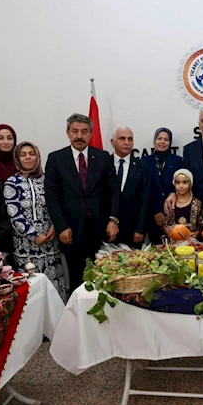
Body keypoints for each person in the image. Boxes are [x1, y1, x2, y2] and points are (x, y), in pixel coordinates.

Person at [45, 113, 120, 291]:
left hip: (100, 230)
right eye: (75, 131)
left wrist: (113, 220)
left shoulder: (103, 157)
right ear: (68, 132)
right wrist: (61, 226)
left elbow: (114, 190)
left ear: (91, 134)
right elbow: (52, 195)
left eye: (84, 131)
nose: (79, 136)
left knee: (105, 278)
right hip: (71, 231)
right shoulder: (56, 159)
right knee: (77, 279)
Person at [4, 141, 65, 299]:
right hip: (26, 246)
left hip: (50, 242)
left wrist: (55, 226)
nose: (28, 157)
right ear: (17, 159)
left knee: (53, 287)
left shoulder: (47, 180)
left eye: (32, 154)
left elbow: (56, 205)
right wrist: (34, 235)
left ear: (37, 156)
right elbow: (14, 214)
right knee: (32, 290)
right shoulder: (12, 182)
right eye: (23, 155)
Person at [110, 127, 150, 248]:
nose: (127, 142)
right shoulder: (103, 163)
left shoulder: (142, 166)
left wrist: (140, 229)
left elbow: (145, 200)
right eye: (122, 138)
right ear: (112, 142)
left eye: (130, 139)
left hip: (133, 230)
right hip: (107, 228)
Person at [142, 128, 182, 244]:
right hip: (152, 214)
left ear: (170, 143)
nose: (162, 142)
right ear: (155, 141)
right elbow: (144, 189)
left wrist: (173, 192)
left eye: (166, 139)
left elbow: (181, 184)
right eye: (159, 139)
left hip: (173, 213)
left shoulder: (177, 161)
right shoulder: (145, 162)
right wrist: (155, 211)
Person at [162, 169, 203, 241]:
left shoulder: (197, 204)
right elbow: (165, 223)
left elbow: (201, 225)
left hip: (192, 243)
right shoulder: (170, 203)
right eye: (178, 182)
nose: (181, 186)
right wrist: (171, 236)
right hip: (173, 243)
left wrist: (196, 234)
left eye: (184, 182)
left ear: (190, 184)